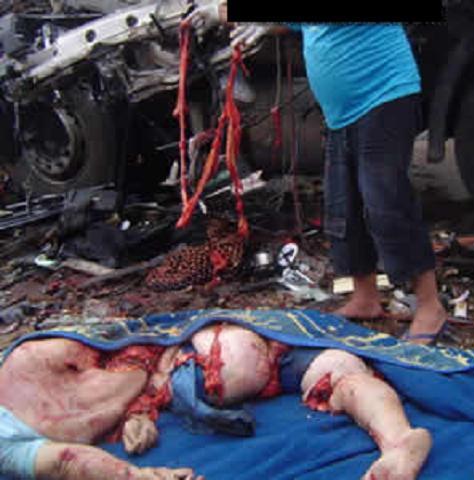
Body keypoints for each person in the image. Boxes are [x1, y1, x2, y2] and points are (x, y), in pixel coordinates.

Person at [189, 2, 449, 344]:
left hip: (384, 98)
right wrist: (268, 25)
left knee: (386, 202)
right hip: (342, 113)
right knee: (344, 204)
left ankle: (430, 307)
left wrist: (225, 9)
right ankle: (365, 297)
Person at [0, 323, 432, 480]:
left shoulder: (16, 422)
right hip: (220, 347)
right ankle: (399, 438)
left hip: (203, 365)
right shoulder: (25, 364)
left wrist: (138, 473)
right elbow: (122, 344)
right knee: (341, 373)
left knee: (327, 374)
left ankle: (401, 445)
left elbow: (68, 461)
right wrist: (138, 411)